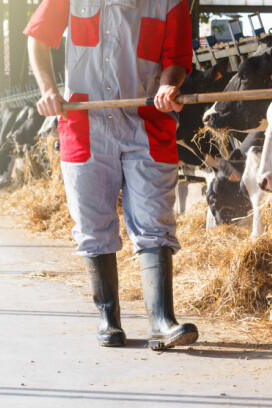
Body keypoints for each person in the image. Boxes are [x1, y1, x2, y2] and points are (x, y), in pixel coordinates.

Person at [24, 0, 198, 349]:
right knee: (92, 222)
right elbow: (38, 38)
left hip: (147, 118)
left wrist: (168, 86)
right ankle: (108, 320)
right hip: (84, 121)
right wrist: (48, 90)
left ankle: (161, 321)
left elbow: (176, 56)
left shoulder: (169, 2)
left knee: (155, 219)